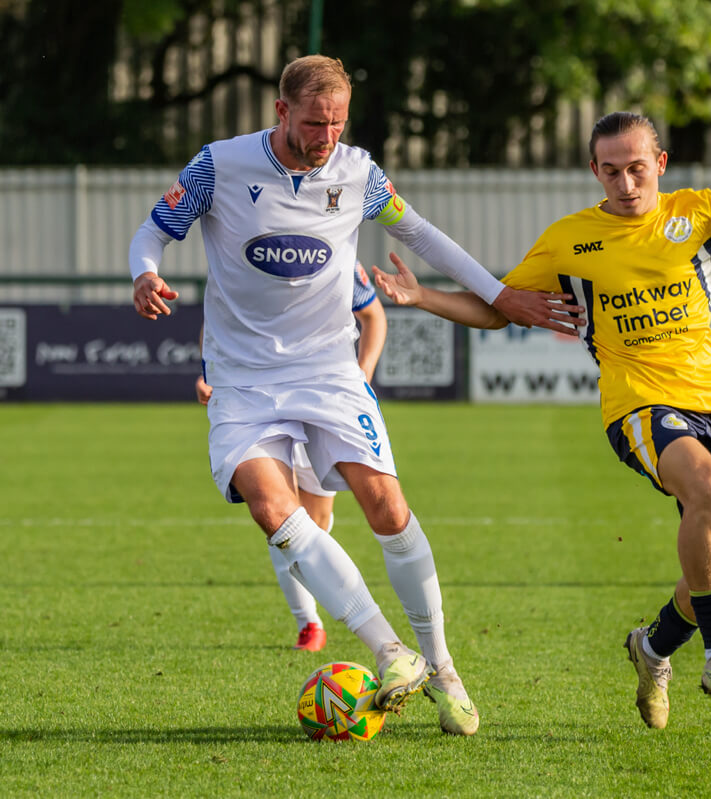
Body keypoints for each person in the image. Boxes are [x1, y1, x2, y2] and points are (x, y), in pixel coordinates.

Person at [373, 111, 711, 730]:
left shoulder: (705, 212)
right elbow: (499, 307)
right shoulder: (569, 239)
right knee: (707, 490)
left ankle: (653, 647)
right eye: (611, 171)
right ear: (594, 171)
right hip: (637, 406)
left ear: (659, 164)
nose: (626, 183)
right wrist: (422, 296)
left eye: (637, 168)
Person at [129, 54, 579, 736]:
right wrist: (144, 273)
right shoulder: (218, 165)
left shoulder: (359, 173)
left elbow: (421, 234)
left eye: (337, 122)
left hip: (329, 371)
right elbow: (153, 232)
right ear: (281, 112)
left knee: (386, 504)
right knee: (270, 506)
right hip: (243, 381)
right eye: (314, 122)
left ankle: (443, 668)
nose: (326, 136)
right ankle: (388, 649)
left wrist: (499, 293)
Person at [195, 263, 388, 653]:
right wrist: (209, 370)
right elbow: (215, 318)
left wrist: (363, 373)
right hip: (259, 399)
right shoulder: (243, 248)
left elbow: (373, 316)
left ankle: (334, 612)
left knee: (316, 523)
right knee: (282, 520)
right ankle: (309, 622)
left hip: (322, 400)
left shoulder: (335, 253)